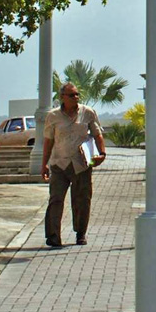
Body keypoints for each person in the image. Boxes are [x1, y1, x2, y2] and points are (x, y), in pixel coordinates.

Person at [41, 82, 106, 248]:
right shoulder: (53, 116)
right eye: (72, 95)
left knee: (82, 200)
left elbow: (97, 134)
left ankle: (80, 233)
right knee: (56, 199)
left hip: (81, 164)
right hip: (59, 163)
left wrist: (102, 153)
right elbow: (48, 141)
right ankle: (53, 236)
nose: (76, 97)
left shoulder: (87, 113)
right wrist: (44, 164)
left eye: (77, 94)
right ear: (62, 97)